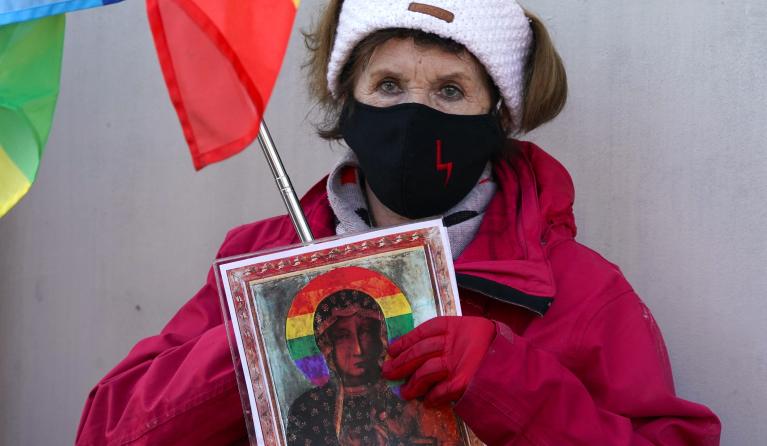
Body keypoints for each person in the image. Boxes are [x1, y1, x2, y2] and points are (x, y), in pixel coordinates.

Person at [76, 1, 722, 444]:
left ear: (498, 117)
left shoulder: (576, 288)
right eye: (387, 86)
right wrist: (254, 341)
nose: (414, 115)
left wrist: (513, 385)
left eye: (449, 91)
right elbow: (107, 430)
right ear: (346, 104)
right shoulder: (258, 259)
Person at [286, 289, 461, 446]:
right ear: (326, 345)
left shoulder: (410, 395)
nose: (358, 349)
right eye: (343, 336)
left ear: (381, 336)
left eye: (366, 332)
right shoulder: (309, 408)